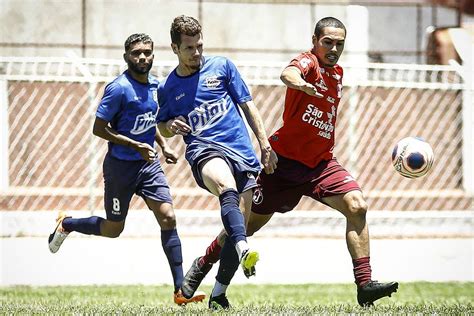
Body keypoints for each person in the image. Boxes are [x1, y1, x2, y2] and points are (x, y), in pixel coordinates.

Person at [181, 17, 399, 307]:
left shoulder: (338, 73)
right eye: (327, 42)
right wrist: (301, 85)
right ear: (315, 40)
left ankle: (365, 284)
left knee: (357, 206)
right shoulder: (307, 63)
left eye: (339, 43)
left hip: (321, 165)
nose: (333, 48)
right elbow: (288, 74)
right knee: (244, 227)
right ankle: (204, 263)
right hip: (282, 167)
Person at [47, 33, 205, 306]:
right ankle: (67, 224)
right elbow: (99, 129)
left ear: (154, 55)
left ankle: (180, 291)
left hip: (148, 165)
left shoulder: (157, 86)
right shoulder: (118, 88)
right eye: (136, 53)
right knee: (113, 229)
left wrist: (163, 145)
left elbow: (149, 121)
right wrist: (134, 145)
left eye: (147, 52)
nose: (142, 57)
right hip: (120, 167)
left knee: (168, 217)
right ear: (126, 57)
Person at [156, 15, 278, 310]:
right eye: (189, 48)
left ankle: (217, 293)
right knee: (226, 185)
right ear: (174, 48)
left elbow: (248, 105)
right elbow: (160, 126)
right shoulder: (168, 87)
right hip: (204, 152)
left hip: (242, 154)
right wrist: (171, 126)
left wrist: (265, 144)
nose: (196, 53)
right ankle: (244, 247)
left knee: (238, 224)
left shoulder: (222, 67)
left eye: (199, 46)